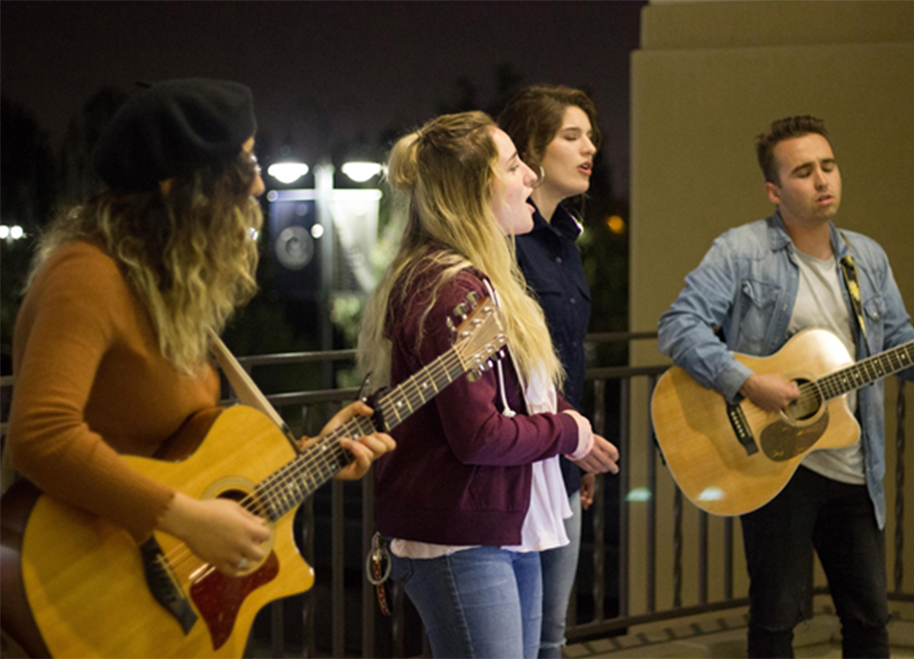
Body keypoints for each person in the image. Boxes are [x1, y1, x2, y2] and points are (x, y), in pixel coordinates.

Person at [5, 79, 395, 584]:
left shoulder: (161, 290)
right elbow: (38, 437)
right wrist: (187, 520)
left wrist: (314, 454)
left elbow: (188, 460)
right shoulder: (86, 274)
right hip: (87, 584)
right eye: (245, 165)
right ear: (181, 187)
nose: (257, 185)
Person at [656, 115, 914, 658]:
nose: (822, 180)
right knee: (775, 620)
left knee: (868, 618)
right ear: (774, 189)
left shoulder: (867, 259)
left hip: (854, 465)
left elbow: (899, 348)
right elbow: (680, 325)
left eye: (828, 166)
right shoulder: (741, 252)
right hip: (774, 465)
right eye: (804, 171)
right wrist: (746, 384)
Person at [358, 111, 620, 659]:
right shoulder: (451, 289)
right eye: (514, 165)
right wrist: (566, 432)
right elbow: (476, 434)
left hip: (498, 523)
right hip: (463, 533)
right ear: (475, 191)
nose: (530, 177)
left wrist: (570, 430)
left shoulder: (474, 278)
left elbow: (519, 395)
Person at [498, 83, 605, 658]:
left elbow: (566, 359)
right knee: (517, 641)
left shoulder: (567, 241)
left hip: (561, 460)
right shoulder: (504, 243)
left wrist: (580, 443)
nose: (590, 148)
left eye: (591, 136)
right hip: (515, 465)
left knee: (550, 639)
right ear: (532, 151)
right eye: (572, 136)